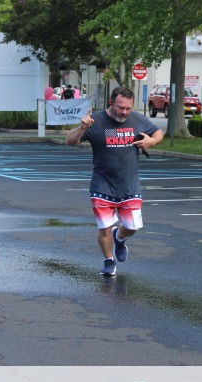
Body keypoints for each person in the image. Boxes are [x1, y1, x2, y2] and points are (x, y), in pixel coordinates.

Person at [65, 85, 163, 277]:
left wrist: (152, 141)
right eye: (120, 108)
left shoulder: (138, 119)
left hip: (130, 186)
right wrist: (82, 127)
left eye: (128, 108)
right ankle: (109, 261)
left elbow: (158, 132)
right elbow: (70, 140)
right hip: (102, 185)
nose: (124, 112)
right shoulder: (96, 121)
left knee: (132, 227)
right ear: (111, 103)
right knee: (104, 228)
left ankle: (119, 238)